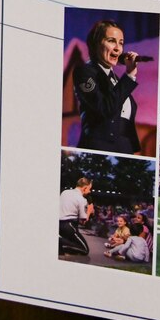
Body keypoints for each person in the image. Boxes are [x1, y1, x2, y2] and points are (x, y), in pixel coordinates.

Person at [72, 20, 141, 154]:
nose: (118, 48)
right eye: (111, 41)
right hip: (99, 148)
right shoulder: (85, 72)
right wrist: (129, 76)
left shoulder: (115, 79)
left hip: (124, 148)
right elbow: (104, 107)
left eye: (121, 43)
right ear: (96, 43)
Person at [59, 177, 94, 256]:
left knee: (72, 242)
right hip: (69, 226)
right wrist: (89, 211)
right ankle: (58, 241)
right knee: (84, 249)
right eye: (89, 189)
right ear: (85, 188)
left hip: (58, 224)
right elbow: (83, 221)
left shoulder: (65, 192)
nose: (89, 191)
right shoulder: (82, 199)